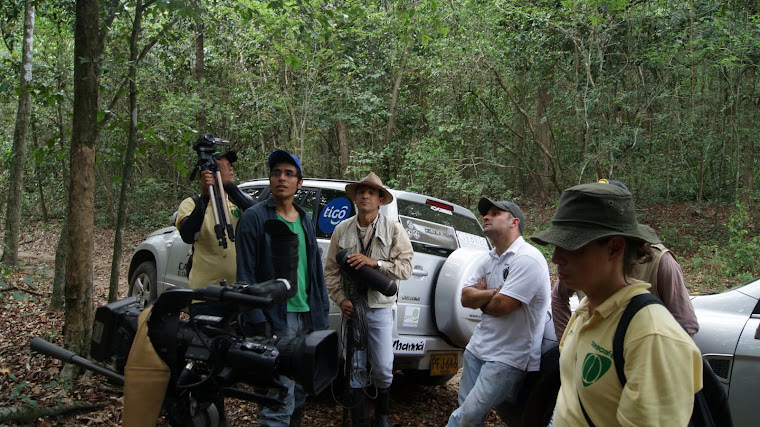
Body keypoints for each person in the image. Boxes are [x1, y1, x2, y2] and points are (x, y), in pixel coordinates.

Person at [531, 182, 702, 426]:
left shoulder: (651, 336)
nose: (556, 257)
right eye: (557, 245)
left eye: (571, 246)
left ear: (614, 248)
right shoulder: (585, 311)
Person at [235, 149, 330, 427]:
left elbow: (315, 272)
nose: (281, 178)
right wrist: (257, 321)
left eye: (289, 174)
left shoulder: (304, 220)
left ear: (299, 183)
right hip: (275, 317)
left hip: (307, 316)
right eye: (276, 172)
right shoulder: (254, 218)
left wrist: (321, 315)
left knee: (300, 388)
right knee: (278, 393)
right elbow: (245, 274)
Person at [447, 198, 550, 427]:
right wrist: (495, 292)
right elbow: (465, 297)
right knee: (469, 417)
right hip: (477, 348)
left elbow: (502, 307)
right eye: (486, 214)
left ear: (514, 222)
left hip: (508, 356)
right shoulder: (488, 257)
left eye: (495, 213)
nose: (486, 217)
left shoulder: (527, 258)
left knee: (466, 416)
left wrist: (482, 297)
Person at [551, 179, 698, 338]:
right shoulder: (578, 280)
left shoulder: (659, 262)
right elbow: (559, 296)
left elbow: (685, 324)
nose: (557, 258)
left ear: (614, 247)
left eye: (577, 246)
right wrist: (565, 344)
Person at [323, 172, 413, 427]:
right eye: (361, 191)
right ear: (355, 197)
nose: (365, 195)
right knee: (355, 365)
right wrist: (341, 300)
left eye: (371, 192)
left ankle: (382, 413)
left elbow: (405, 268)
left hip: (381, 309)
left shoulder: (393, 229)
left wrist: (376, 263)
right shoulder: (342, 229)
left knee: (384, 368)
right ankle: (359, 418)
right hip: (353, 307)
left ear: (380, 200)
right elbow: (330, 270)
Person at [176, 149, 254, 290]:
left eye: (231, 165)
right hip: (204, 293)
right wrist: (205, 197)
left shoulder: (236, 201)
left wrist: (229, 186)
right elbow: (188, 235)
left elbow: (259, 218)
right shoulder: (191, 204)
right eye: (226, 165)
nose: (231, 168)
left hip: (239, 292)